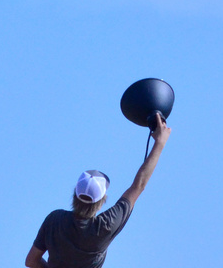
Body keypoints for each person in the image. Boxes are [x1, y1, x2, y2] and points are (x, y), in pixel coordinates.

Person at [26, 113, 170, 268]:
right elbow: (138, 185)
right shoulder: (105, 227)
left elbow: (31, 261)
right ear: (102, 202)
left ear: (74, 194)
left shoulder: (54, 220)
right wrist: (160, 143)